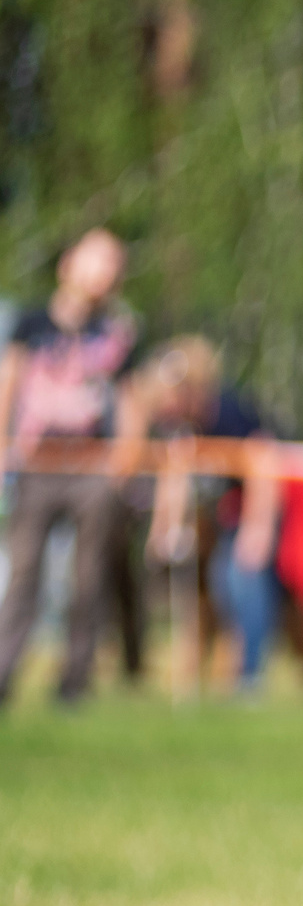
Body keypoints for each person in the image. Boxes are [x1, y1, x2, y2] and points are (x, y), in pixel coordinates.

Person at [0, 229, 143, 709]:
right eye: (97, 259)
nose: (105, 271)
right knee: (23, 576)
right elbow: (10, 381)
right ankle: (3, 676)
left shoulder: (118, 332)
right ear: (69, 264)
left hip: (92, 467)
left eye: (113, 263)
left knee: (89, 580)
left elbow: (131, 400)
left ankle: (73, 684)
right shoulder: (32, 323)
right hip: (37, 464)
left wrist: (124, 460)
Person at [132, 338, 285, 695]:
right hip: (221, 517)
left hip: (254, 511)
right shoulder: (180, 427)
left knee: (240, 578)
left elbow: (264, 464)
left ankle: (250, 677)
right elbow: (175, 476)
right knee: (214, 586)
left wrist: (257, 530)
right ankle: (207, 673)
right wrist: (164, 530)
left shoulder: (229, 414)